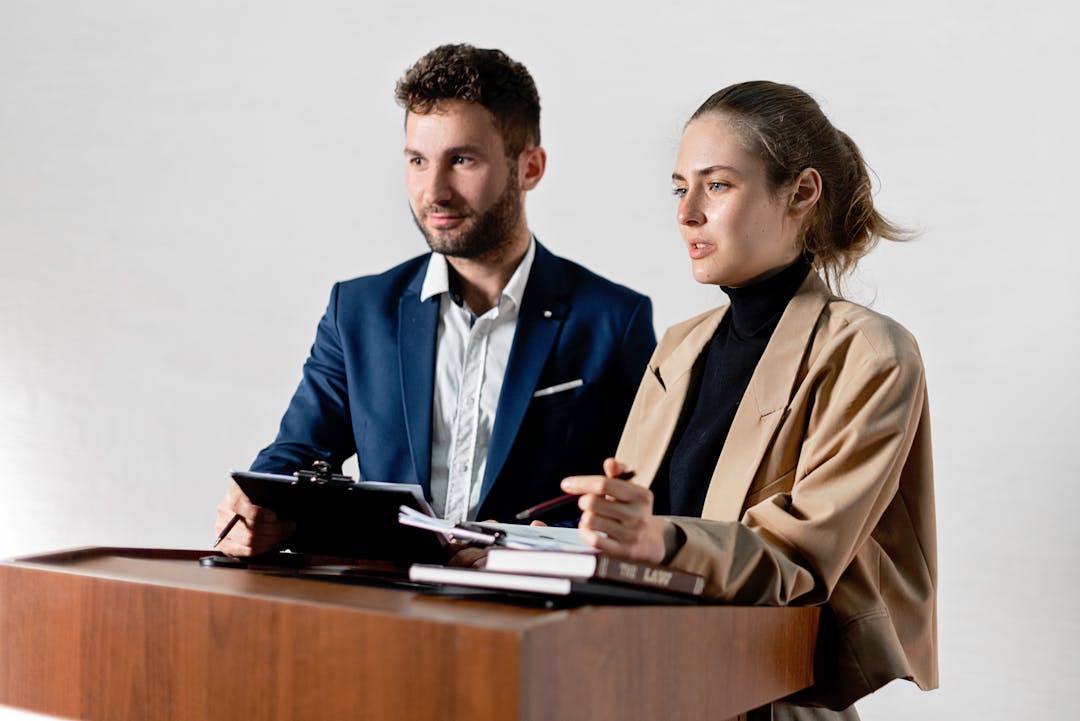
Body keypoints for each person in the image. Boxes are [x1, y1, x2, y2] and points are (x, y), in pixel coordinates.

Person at [559, 82, 937, 719]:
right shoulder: (677, 349)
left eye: (718, 185)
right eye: (681, 187)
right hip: (636, 685)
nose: (687, 213)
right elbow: (639, 537)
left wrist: (657, 542)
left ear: (802, 193)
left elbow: (801, 561)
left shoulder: (871, 354)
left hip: (764, 699)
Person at [215, 44, 655, 557]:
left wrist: (535, 548)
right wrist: (252, 506)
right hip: (389, 607)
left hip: (534, 613)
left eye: (462, 160)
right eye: (418, 161)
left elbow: (644, 496)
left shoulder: (613, 320)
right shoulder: (357, 312)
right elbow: (299, 452)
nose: (434, 191)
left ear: (529, 168)